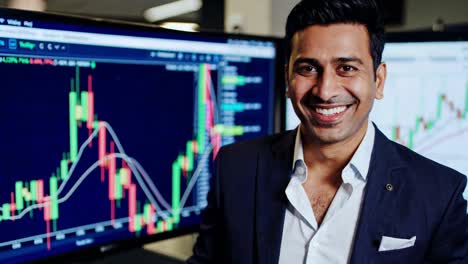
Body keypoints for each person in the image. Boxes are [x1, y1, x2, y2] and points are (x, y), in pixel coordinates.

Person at [187, 0, 468, 263]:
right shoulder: (236, 167)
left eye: (346, 68)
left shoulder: (440, 194)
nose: (325, 91)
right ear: (288, 78)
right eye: (308, 68)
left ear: (378, 80)